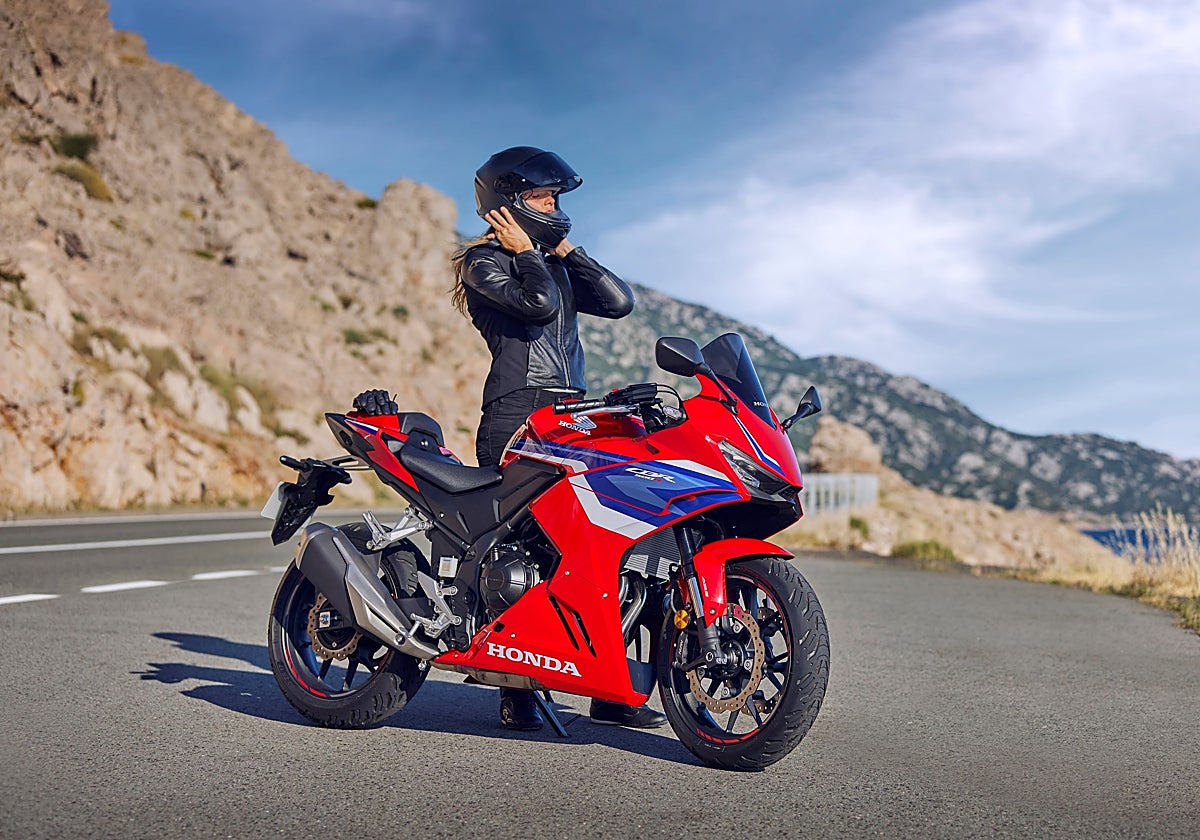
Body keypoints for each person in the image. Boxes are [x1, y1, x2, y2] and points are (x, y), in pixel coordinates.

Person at [448, 146, 666, 732]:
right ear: (509, 202)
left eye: (554, 199)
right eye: (542, 198)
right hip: (518, 413)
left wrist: (564, 250)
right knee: (527, 551)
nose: (553, 208)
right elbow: (538, 307)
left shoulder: (553, 264)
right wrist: (526, 252)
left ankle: (611, 690)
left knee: (606, 546)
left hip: (574, 417)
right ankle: (516, 688)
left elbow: (619, 302)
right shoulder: (485, 263)